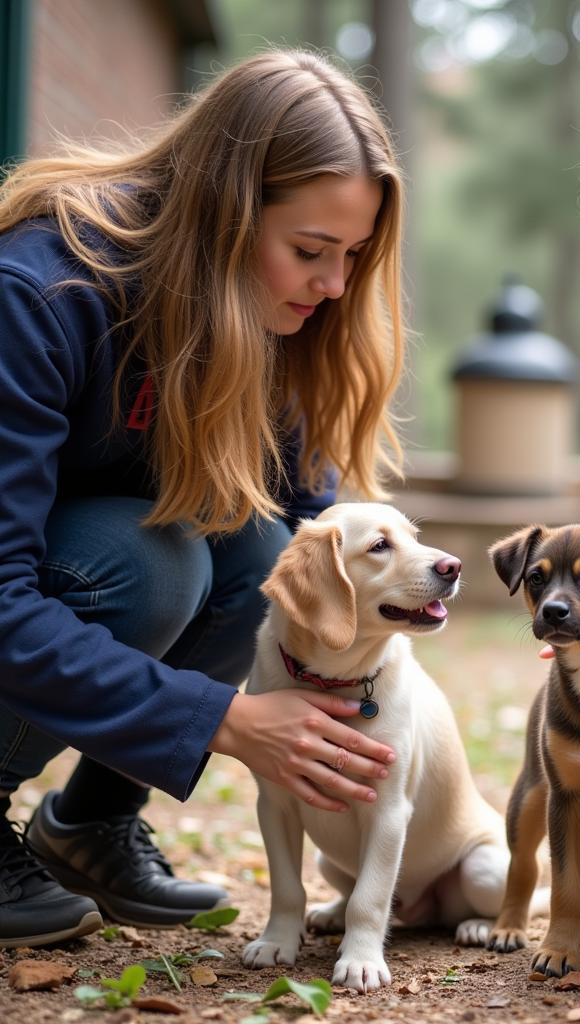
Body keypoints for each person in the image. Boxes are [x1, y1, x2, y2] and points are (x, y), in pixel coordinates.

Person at [0, 50, 403, 947]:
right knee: (151, 561)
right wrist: (220, 718)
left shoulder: (265, 319)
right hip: (55, 583)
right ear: (225, 213)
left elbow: (308, 531)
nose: (335, 286)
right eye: (310, 251)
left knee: (267, 552)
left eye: (351, 256)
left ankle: (91, 825)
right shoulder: (38, 293)